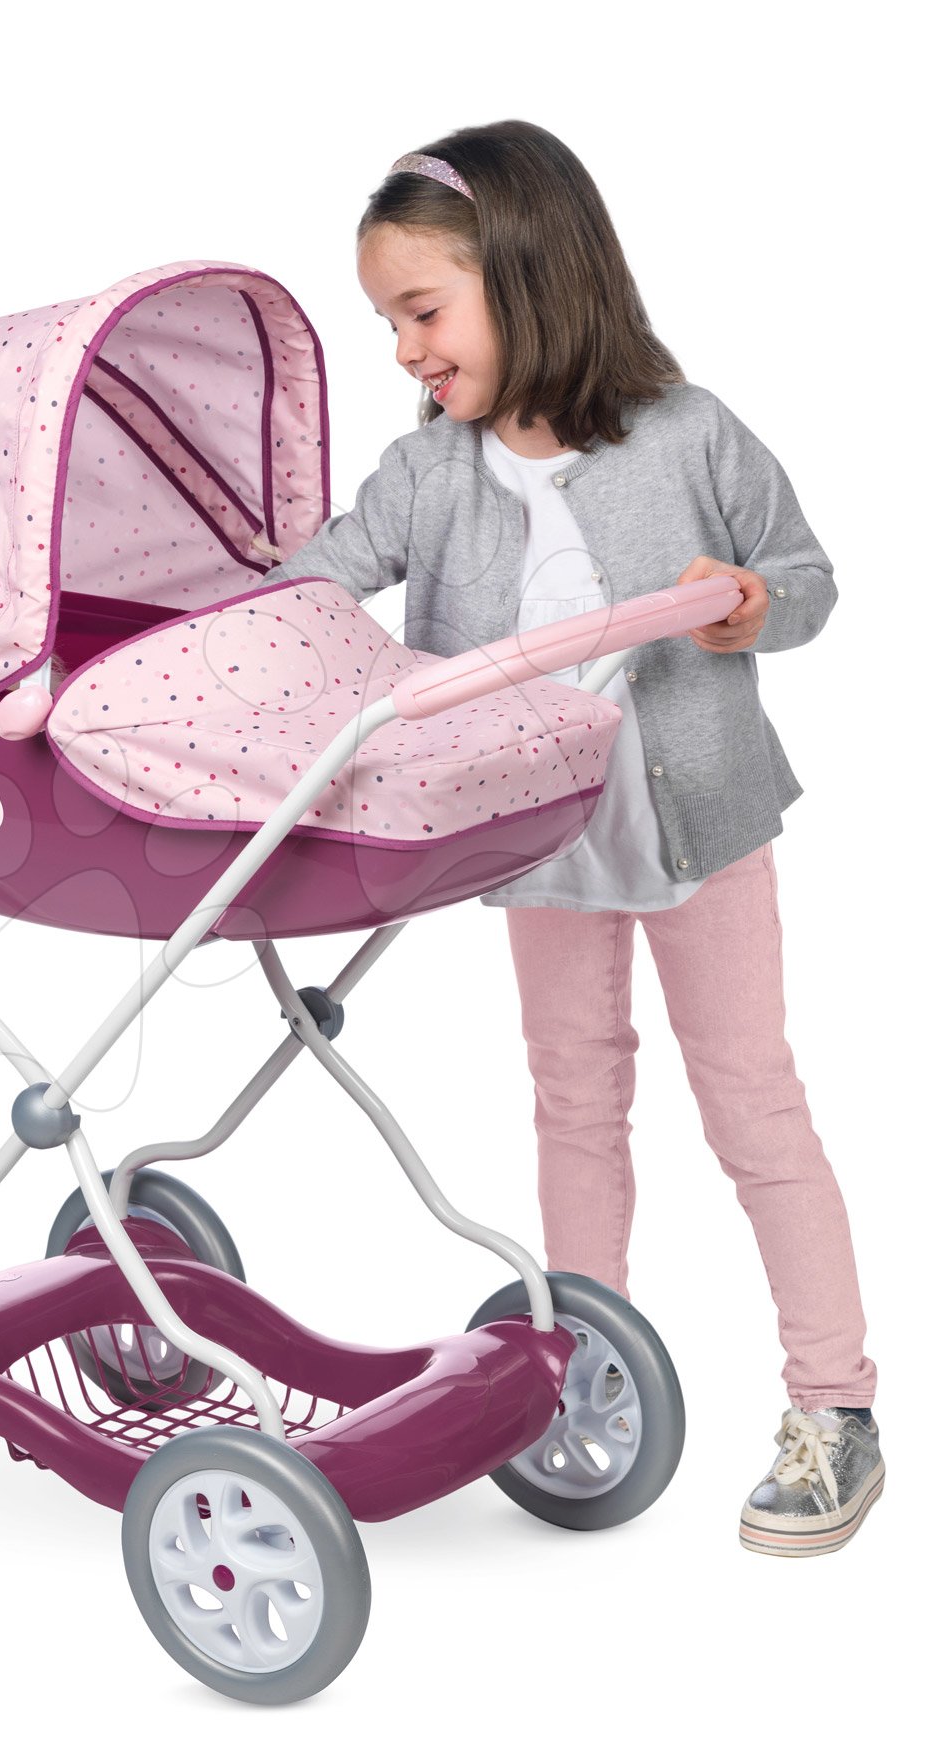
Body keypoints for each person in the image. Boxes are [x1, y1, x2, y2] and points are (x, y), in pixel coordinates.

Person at [259, 120, 881, 1556]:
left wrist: (751, 607)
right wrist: (212, 627)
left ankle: (834, 1404)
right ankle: (588, 1364)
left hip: (701, 826)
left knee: (752, 1104)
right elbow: (323, 575)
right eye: (389, 323)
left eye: (423, 312)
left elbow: (806, 576)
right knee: (574, 1101)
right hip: (535, 839)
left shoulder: (691, 434)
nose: (406, 351)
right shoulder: (431, 474)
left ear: (530, 272)